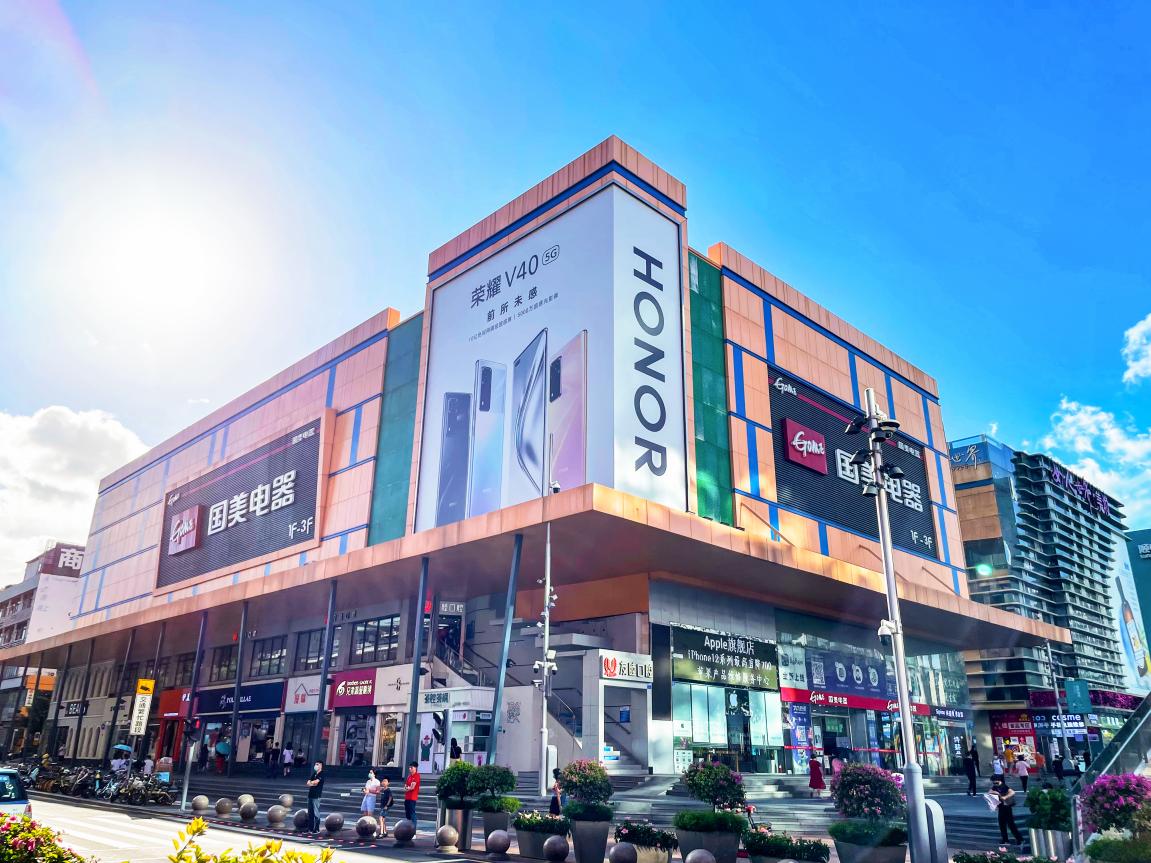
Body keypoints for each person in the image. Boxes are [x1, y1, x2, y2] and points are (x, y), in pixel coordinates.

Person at [991, 777, 1024, 846]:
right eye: (993, 782)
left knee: (1011, 824)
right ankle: (1005, 839)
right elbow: (990, 792)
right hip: (1001, 807)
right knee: (1002, 824)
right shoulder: (995, 787)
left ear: (998, 780)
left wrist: (1005, 797)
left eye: (995, 782)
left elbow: (1012, 792)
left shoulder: (1003, 786)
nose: (994, 783)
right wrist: (995, 793)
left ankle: (1019, 839)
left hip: (1007, 807)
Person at [306, 760, 325, 832]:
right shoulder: (314, 773)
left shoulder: (321, 774)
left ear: (321, 766)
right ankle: (310, 828)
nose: (316, 766)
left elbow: (316, 782)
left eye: (317, 764)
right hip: (310, 795)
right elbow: (308, 783)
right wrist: (312, 783)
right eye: (315, 764)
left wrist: (312, 783)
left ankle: (316, 829)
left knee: (316, 813)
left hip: (316, 796)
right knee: (310, 812)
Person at [361, 769, 381, 834]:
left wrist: (370, 791)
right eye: (369, 772)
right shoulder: (368, 781)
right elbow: (366, 789)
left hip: (372, 797)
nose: (370, 774)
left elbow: (378, 791)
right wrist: (364, 790)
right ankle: (365, 827)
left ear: (374, 774)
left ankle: (372, 829)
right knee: (365, 813)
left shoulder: (377, 782)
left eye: (371, 773)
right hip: (366, 796)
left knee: (370, 814)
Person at [404, 761, 421, 829]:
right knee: (407, 813)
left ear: (415, 768)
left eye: (411, 767)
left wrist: (408, 788)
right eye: (409, 767)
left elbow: (412, 787)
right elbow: (405, 786)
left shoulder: (417, 776)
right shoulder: (409, 776)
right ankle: (408, 828)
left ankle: (413, 829)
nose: (410, 769)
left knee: (412, 813)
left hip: (412, 798)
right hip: (407, 797)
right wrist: (408, 788)